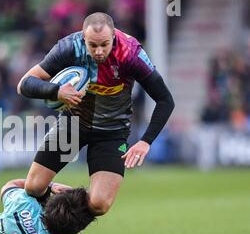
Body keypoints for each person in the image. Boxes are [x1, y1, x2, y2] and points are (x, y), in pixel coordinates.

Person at [17, 12, 175, 215]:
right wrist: (56, 91)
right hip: (72, 125)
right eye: (93, 45)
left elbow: (165, 100)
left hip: (112, 131)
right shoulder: (68, 47)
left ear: (114, 38)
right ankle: (53, 194)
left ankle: (63, 220)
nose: (99, 51)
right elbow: (24, 85)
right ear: (83, 38)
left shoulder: (131, 54)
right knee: (33, 188)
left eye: (104, 44)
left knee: (99, 204)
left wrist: (146, 141)